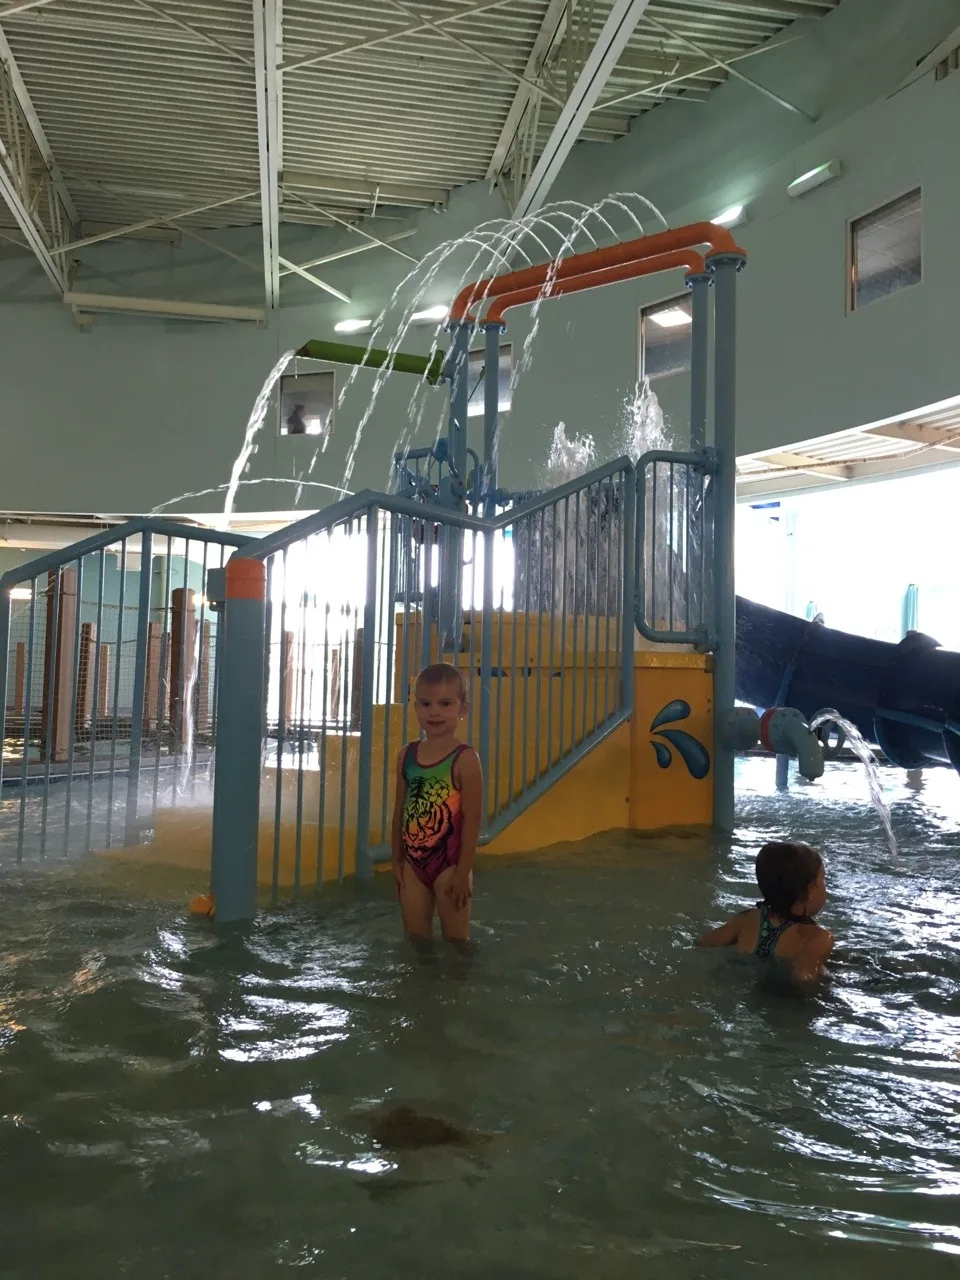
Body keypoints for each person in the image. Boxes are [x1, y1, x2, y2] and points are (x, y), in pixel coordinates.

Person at [391, 663, 482, 943]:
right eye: (426, 703)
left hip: (450, 867)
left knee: (457, 943)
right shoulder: (407, 755)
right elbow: (399, 811)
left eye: (445, 703)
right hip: (413, 867)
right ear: (416, 708)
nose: (434, 711)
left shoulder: (465, 759)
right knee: (415, 939)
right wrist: (397, 860)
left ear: (462, 709)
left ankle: (457, 986)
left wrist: (463, 871)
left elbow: (472, 819)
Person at [697, 841, 833, 983]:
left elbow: (703, 942)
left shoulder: (746, 920)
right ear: (810, 890)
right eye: (823, 880)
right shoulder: (818, 938)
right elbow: (804, 980)